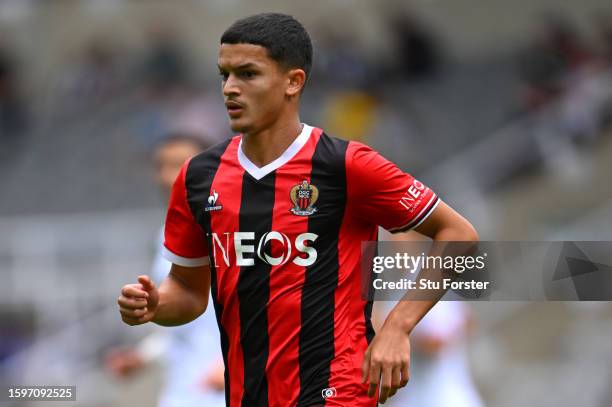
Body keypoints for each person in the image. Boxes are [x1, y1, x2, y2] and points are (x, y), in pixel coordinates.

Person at [117, 13, 478, 406]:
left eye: (248, 74)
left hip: (335, 392)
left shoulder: (346, 164)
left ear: (293, 81)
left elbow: (458, 234)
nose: (230, 89)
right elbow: (188, 292)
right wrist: (156, 305)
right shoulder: (199, 177)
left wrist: (398, 328)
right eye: (225, 75)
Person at [108, 134, 226, 407]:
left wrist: (237, 362)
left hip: (228, 392)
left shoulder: (233, 233)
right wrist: (142, 356)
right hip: (181, 394)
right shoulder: (166, 237)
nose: (167, 176)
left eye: (179, 164)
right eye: (161, 165)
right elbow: (183, 330)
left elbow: (274, 311)